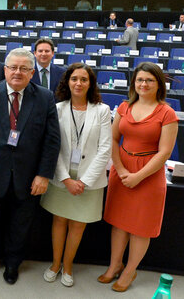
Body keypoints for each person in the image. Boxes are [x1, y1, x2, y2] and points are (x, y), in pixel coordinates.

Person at [0, 48, 60, 285]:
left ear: (32, 72)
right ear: (4, 70)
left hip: (29, 176)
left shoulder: (45, 97)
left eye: (24, 68)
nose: (17, 73)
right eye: (13, 67)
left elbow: (52, 141)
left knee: (20, 224)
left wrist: (43, 175)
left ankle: (12, 263)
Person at [99, 62, 178, 292]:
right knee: (118, 223)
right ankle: (114, 265)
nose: (144, 84)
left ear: (158, 84)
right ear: (134, 82)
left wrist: (138, 176)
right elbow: (113, 140)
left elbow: (164, 152)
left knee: (140, 227)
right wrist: (122, 170)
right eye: (140, 79)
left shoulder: (167, 113)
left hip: (149, 174)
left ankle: (129, 270)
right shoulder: (124, 107)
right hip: (122, 168)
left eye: (149, 80)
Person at [40, 63, 111, 287]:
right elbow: (52, 146)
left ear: (90, 84)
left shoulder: (102, 110)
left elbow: (105, 149)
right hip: (61, 175)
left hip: (89, 179)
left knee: (78, 225)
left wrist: (83, 181)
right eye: (74, 79)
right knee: (59, 221)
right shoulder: (57, 108)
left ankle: (68, 266)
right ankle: (54, 264)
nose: (78, 83)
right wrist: (66, 179)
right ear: (67, 82)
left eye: (83, 79)